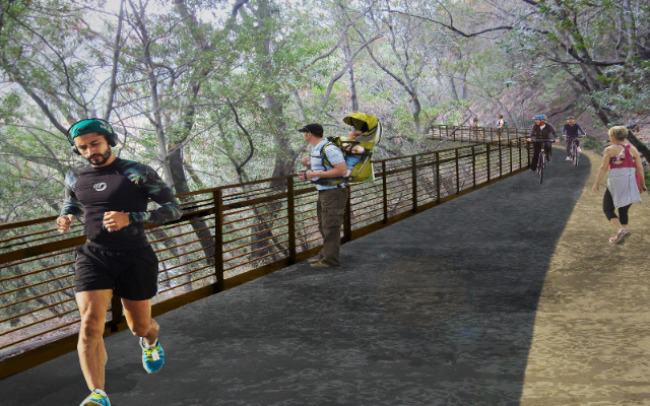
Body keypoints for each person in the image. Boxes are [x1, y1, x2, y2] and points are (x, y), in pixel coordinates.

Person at [56, 118, 182, 406]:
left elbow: (174, 209)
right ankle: (97, 394)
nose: (90, 151)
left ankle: (150, 341)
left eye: (95, 144)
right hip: (94, 256)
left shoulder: (137, 172)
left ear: (109, 140)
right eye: (83, 147)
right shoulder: (74, 175)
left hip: (135, 255)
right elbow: (73, 201)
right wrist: (66, 215)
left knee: (139, 325)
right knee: (89, 326)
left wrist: (132, 217)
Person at [298, 123, 348, 269]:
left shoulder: (330, 149)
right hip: (325, 191)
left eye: (304, 133)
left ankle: (330, 260)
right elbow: (323, 167)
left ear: (309, 134)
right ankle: (325, 255)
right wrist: (307, 166)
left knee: (330, 226)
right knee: (324, 225)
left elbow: (342, 170)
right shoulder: (317, 148)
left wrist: (313, 174)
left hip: (334, 192)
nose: (304, 135)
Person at [592, 125, 646, 244]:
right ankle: (621, 234)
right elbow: (640, 168)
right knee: (623, 210)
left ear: (613, 136)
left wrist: (597, 183)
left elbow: (603, 167)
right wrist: (642, 184)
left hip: (616, 182)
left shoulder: (610, 149)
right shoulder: (633, 149)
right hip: (631, 181)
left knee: (607, 208)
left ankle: (621, 230)